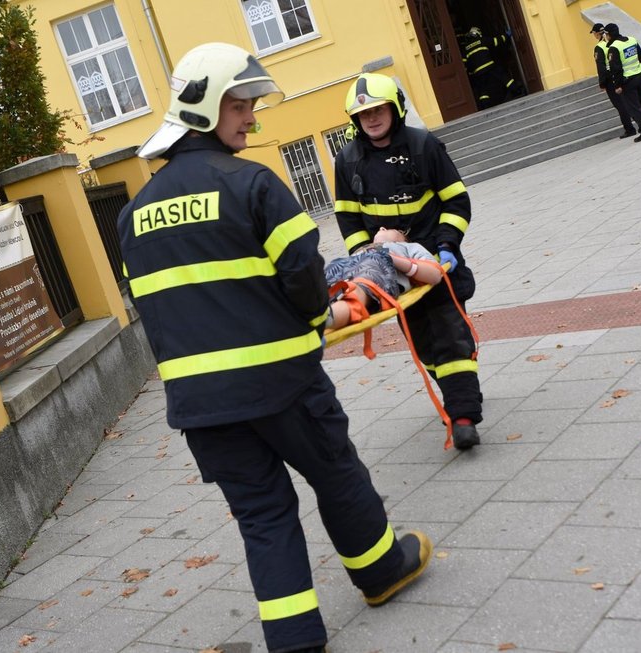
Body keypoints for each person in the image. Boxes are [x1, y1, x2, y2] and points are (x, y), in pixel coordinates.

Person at [117, 43, 432, 653]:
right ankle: (380, 572)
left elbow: (163, 310)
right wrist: (327, 314)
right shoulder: (253, 184)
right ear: (206, 108)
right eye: (242, 106)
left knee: (262, 513)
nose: (253, 120)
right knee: (335, 472)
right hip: (281, 382)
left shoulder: (132, 217)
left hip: (201, 406)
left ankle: (294, 640)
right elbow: (303, 277)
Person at [334, 72, 483, 451]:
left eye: (378, 109)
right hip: (389, 272)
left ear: (395, 108)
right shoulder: (347, 160)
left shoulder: (423, 146)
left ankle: (463, 416)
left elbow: (456, 201)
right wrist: (364, 254)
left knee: (451, 334)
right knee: (422, 342)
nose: (371, 118)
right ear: (355, 120)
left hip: (434, 261)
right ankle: (454, 396)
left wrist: (447, 245)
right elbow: (349, 217)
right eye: (363, 113)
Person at [324, 227, 443, 329]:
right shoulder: (364, 248)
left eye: (392, 229)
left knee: (360, 287)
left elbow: (435, 274)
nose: (381, 228)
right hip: (346, 264)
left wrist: (395, 259)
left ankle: (327, 317)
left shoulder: (408, 247)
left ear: (402, 239)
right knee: (321, 281)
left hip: (376, 265)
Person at [604, 22, 641, 142]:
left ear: (609, 34)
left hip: (627, 81)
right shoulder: (631, 40)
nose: (605, 37)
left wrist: (618, 85)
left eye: (606, 34)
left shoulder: (614, 48)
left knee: (634, 108)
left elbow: (616, 69)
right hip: (639, 76)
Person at [589, 22, 638, 139]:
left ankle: (629, 129)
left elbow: (601, 67)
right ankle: (640, 123)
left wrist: (602, 83)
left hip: (610, 79)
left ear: (596, 34)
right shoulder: (612, 43)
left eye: (594, 33)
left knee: (620, 105)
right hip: (620, 75)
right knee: (628, 102)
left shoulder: (599, 47)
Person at [459, 26, 525, 109]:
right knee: (503, 77)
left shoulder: (466, 48)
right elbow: (496, 41)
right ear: (477, 33)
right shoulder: (482, 40)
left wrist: (470, 73)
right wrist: (507, 35)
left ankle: (485, 104)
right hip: (489, 66)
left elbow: (464, 62)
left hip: (478, 73)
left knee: (483, 88)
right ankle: (516, 90)